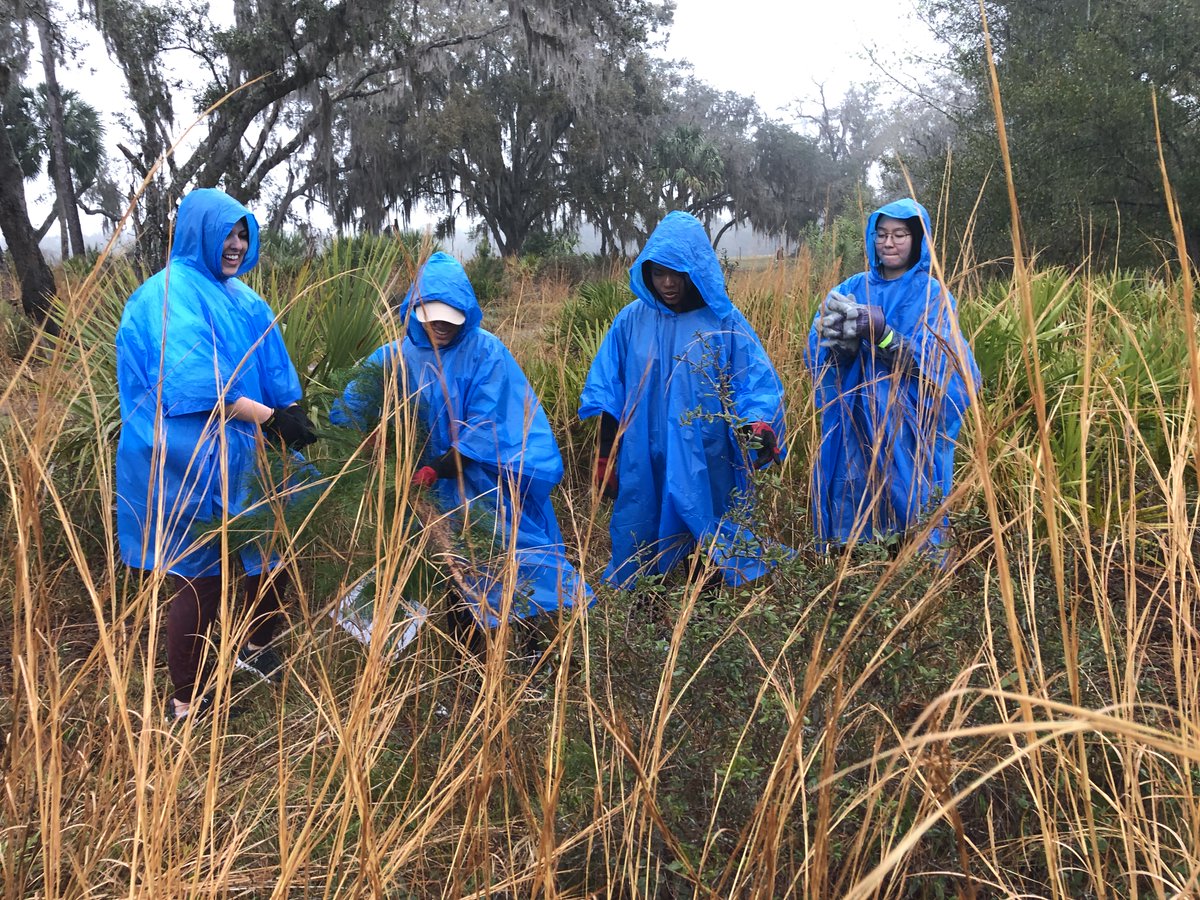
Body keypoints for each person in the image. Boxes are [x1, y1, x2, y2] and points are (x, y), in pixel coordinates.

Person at [115, 188, 318, 723]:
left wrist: (291, 409)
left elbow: (274, 366)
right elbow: (199, 386)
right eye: (227, 232)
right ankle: (189, 700)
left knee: (270, 552)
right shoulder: (164, 296)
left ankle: (255, 645)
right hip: (185, 461)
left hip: (246, 455)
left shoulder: (243, 298)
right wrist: (271, 418)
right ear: (198, 232)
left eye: (243, 234)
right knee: (200, 575)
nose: (236, 244)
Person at [331, 251, 592, 642]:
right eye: (432, 316)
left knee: (504, 558)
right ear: (415, 310)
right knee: (446, 571)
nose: (440, 326)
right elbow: (348, 407)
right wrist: (374, 436)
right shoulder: (393, 357)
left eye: (450, 318)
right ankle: (466, 650)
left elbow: (486, 426)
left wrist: (437, 468)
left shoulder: (486, 353)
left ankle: (524, 643)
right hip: (418, 492)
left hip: (479, 484)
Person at [579, 210, 788, 588]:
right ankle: (647, 598)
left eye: (677, 273)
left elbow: (755, 382)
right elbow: (611, 391)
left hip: (704, 451)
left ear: (697, 270)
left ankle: (706, 599)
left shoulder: (724, 321)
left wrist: (757, 425)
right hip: (644, 451)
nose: (668, 283)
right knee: (641, 524)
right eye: (659, 273)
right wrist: (606, 455)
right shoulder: (631, 321)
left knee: (708, 526)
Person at [806, 197, 979, 554]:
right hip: (856, 421)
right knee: (855, 498)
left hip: (908, 427)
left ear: (917, 240)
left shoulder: (931, 295)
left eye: (900, 235)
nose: (889, 242)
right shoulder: (852, 288)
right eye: (882, 234)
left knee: (910, 504)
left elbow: (948, 370)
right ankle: (853, 562)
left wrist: (886, 337)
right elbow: (818, 355)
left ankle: (915, 566)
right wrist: (840, 347)